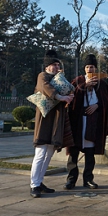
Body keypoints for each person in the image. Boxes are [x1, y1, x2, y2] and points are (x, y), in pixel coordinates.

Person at [29, 50, 73, 198]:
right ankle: (34, 185)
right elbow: (46, 88)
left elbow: (69, 93)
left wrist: (69, 96)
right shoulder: (43, 76)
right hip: (45, 120)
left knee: (48, 154)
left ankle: (39, 182)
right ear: (47, 66)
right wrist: (60, 96)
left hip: (56, 120)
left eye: (57, 65)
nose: (56, 67)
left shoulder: (60, 80)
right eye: (53, 65)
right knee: (40, 153)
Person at [64, 54, 108, 190]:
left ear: (96, 68)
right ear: (84, 69)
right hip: (78, 121)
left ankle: (88, 179)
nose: (89, 69)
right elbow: (71, 98)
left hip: (92, 121)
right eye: (87, 67)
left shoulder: (102, 84)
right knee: (74, 153)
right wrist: (84, 86)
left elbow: (107, 102)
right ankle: (71, 180)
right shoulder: (77, 81)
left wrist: (97, 105)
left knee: (90, 153)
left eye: (92, 67)